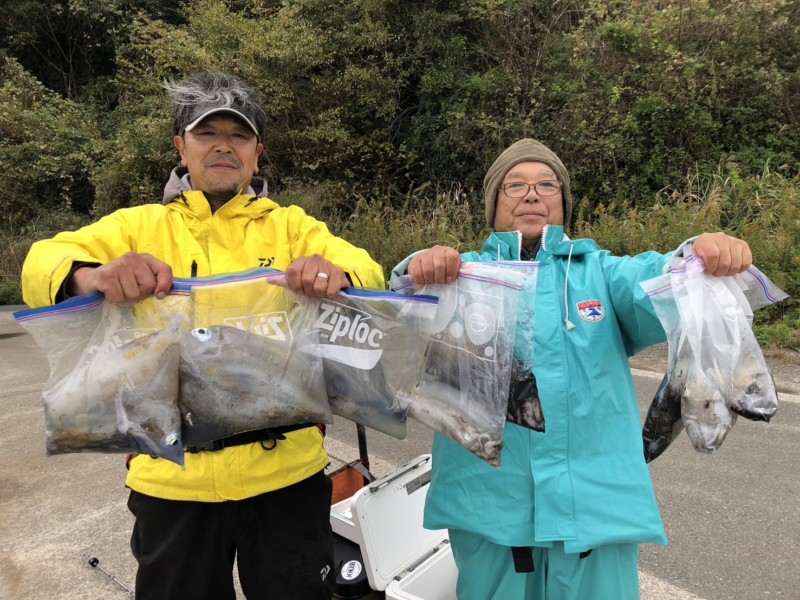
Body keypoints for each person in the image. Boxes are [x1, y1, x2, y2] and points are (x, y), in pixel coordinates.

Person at [21, 71, 385, 600]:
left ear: (257, 154)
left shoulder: (293, 227)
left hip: (288, 476)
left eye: (238, 135)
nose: (223, 146)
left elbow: (369, 272)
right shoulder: (137, 226)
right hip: (169, 481)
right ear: (181, 147)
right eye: (206, 133)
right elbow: (41, 262)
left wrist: (337, 275)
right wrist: (92, 276)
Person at [389, 138, 753, 600]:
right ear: (494, 204)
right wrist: (418, 268)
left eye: (547, 184)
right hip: (489, 509)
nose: (532, 194)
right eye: (514, 185)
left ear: (562, 203)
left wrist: (697, 256)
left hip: (595, 512)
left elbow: (658, 279)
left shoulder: (601, 274)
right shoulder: (460, 276)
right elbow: (398, 313)